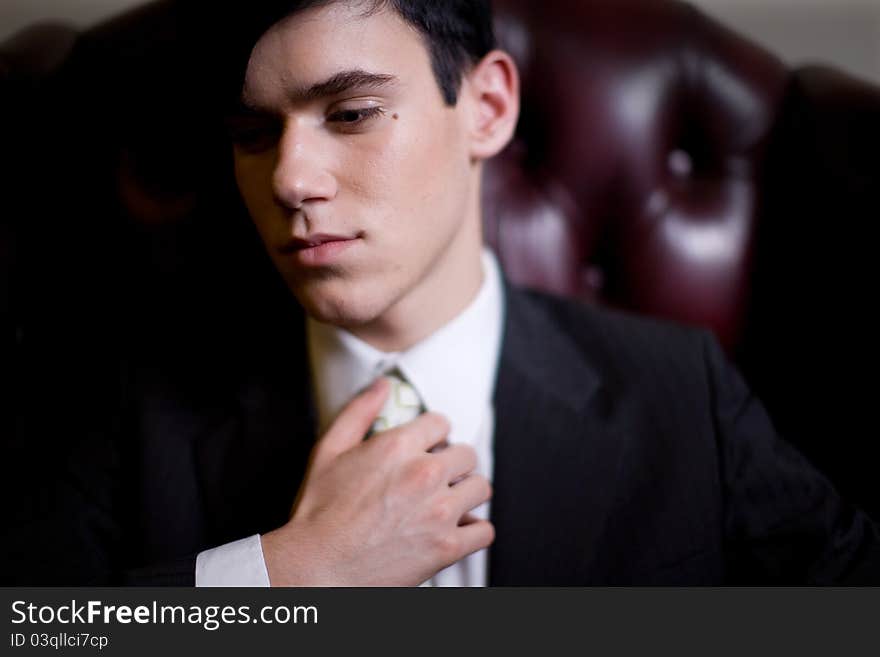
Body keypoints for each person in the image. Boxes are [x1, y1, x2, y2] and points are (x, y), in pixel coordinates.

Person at [4, 0, 879, 586]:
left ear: (489, 107)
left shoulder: (681, 390)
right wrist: (288, 577)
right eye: (251, 132)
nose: (290, 178)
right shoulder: (139, 398)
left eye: (350, 114)